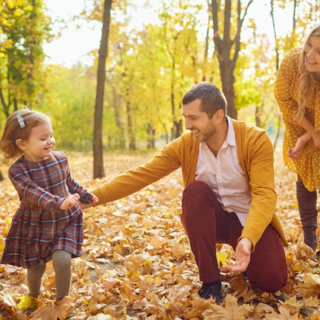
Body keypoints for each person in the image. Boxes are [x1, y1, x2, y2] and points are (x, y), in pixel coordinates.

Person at [82, 82, 288, 303]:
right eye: (185, 117)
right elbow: (141, 174)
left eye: (194, 118)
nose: (188, 125)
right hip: (212, 221)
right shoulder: (186, 144)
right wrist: (90, 198)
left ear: (217, 116)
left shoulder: (254, 139)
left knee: (271, 282)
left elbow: (265, 195)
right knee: (195, 191)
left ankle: (246, 259)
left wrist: (248, 239)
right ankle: (210, 281)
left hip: (248, 221)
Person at [0, 109, 98, 316]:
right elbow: (34, 193)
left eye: (51, 135)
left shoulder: (60, 158)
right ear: (22, 144)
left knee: (62, 259)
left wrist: (86, 195)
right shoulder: (18, 171)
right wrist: (60, 202)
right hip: (36, 223)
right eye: (43, 138)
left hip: (65, 219)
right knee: (36, 267)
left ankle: (62, 301)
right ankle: (33, 295)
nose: (50, 141)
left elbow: (69, 182)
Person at [275, 24, 320, 254]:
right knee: (304, 175)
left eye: (319, 51)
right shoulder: (294, 61)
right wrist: (309, 135)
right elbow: (285, 102)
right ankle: (310, 237)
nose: (309, 54)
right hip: (300, 121)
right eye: (308, 45)